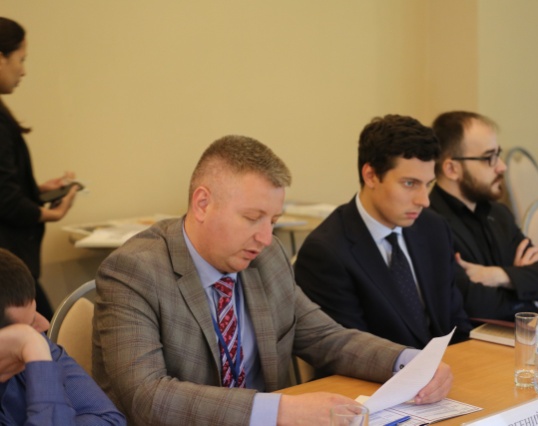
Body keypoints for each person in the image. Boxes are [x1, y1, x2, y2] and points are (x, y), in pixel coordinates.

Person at [92, 135, 453, 426]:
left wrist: (410, 363)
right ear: (202, 204)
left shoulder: (266, 258)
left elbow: (324, 336)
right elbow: (147, 396)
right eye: (253, 218)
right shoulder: (134, 271)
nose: (266, 238)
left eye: (274, 221)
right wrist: (280, 411)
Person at [294, 114, 472, 348]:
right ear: (371, 175)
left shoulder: (434, 228)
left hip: (447, 365)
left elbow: (456, 323)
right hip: (381, 371)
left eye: (428, 184)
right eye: (410, 183)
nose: (424, 200)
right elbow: (350, 353)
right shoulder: (326, 252)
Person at [429, 111, 538, 320]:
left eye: (498, 154)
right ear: (452, 169)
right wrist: (520, 284)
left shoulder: (499, 214)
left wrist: (498, 275)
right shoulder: (429, 224)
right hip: (479, 339)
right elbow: (473, 305)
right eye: (488, 158)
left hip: (524, 333)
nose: (502, 166)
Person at [0, 17, 81, 320]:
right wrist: (52, 214)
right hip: (8, 264)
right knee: (45, 327)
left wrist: (36, 190)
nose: (23, 70)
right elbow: (6, 200)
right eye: (20, 59)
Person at [0, 248, 125, 425]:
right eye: (27, 327)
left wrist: (33, 345)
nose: (45, 324)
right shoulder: (33, 342)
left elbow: (109, 420)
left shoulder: (36, 340)